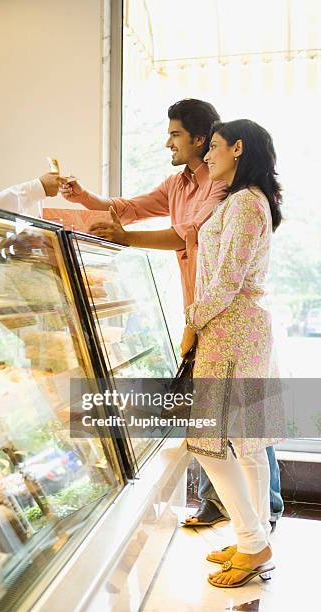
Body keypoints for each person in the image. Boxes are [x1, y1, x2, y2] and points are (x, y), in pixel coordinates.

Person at [59, 99, 283, 529]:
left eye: (176, 134)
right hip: (203, 309)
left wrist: (128, 240)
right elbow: (130, 207)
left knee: (241, 426)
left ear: (205, 141)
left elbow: (187, 236)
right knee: (225, 424)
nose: (168, 143)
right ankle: (231, 512)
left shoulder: (229, 190)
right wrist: (83, 197)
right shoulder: (179, 184)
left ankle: (260, 515)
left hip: (221, 316)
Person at [181, 119, 283, 588]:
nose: (207, 156)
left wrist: (191, 323)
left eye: (215, 147)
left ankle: (251, 541)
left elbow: (226, 280)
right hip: (242, 331)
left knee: (207, 444)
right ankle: (255, 538)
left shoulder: (244, 203)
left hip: (230, 333)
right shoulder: (250, 202)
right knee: (248, 446)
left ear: (238, 149)